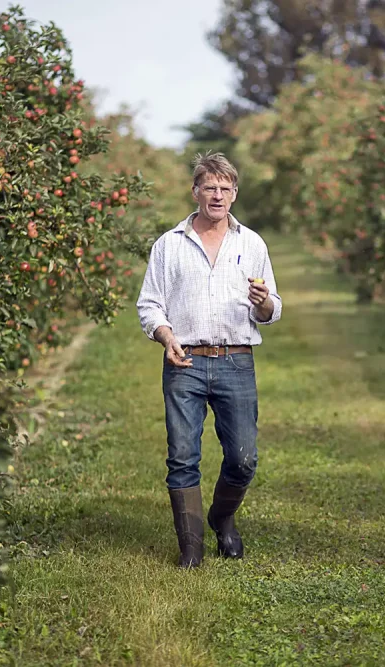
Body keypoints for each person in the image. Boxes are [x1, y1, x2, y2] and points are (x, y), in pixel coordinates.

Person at [136, 152, 282, 568]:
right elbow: (150, 306)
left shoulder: (251, 243)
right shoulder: (169, 244)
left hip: (236, 360)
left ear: (234, 193)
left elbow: (272, 310)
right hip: (185, 360)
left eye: (225, 188)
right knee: (182, 455)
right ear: (195, 191)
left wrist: (264, 303)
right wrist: (165, 336)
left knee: (243, 457)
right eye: (209, 187)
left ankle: (221, 518)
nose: (217, 195)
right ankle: (191, 551)